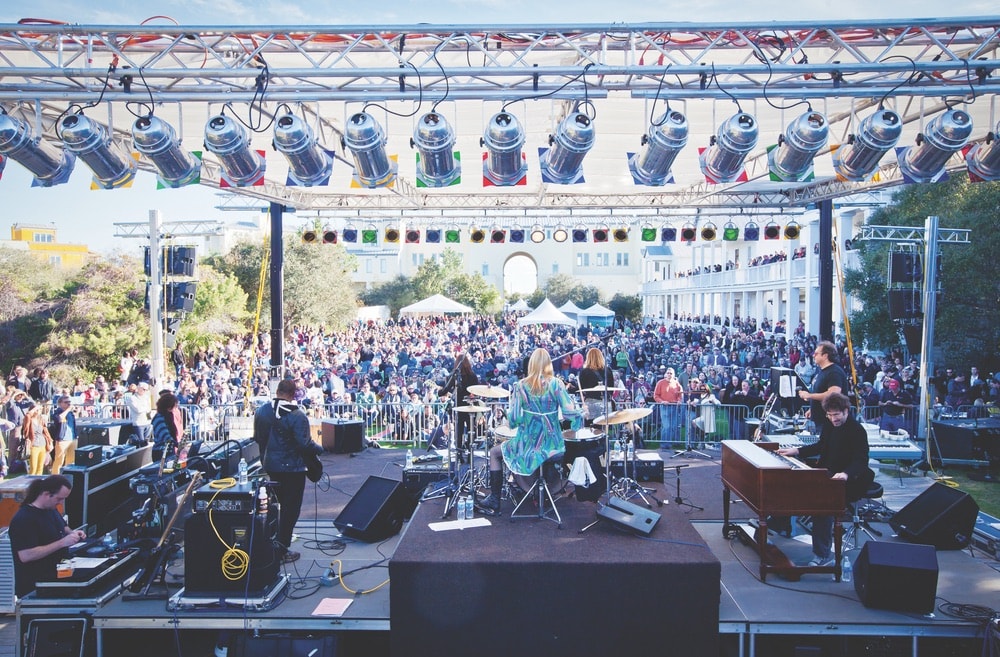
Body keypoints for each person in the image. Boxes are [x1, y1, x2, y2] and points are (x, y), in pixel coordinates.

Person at [476, 349, 583, 517]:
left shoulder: (521, 386)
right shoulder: (556, 384)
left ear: (532, 364)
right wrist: (581, 414)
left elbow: (515, 419)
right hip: (552, 445)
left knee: (494, 453)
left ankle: (495, 499)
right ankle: (543, 492)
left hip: (527, 444)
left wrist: (514, 418)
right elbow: (569, 413)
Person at [778, 393, 874, 567]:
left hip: (850, 479)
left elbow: (861, 461)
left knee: (822, 507)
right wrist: (797, 451)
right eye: (829, 415)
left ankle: (821, 554)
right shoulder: (830, 425)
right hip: (828, 473)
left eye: (836, 415)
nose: (833, 419)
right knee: (792, 485)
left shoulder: (857, 430)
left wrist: (846, 473)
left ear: (846, 411)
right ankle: (777, 524)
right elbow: (821, 445)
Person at [263, 378, 324, 564]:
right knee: (290, 510)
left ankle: (268, 545)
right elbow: (304, 444)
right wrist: (320, 448)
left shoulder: (262, 410)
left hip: (271, 465)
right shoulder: (297, 415)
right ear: (292, 394)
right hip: (293, 468)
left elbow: (258, 438)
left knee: (272, 508)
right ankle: (282, 550)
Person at [9, 474, 88, 598]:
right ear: (46, 494)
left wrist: (73, 533)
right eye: (59, 499)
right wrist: (62, 543)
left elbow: (62, 526)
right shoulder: (24, 519)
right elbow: (26, 555)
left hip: (57, 579)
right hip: (36, 588)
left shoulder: (50, 509)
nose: (61, 503)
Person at [798, 341, 848, 433]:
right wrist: (812, 408)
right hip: (820, 421)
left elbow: (833, 394)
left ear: (825, 355)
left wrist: (809, 396)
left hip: (830, 423)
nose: (813, 356)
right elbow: (821, 391)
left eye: (816, 354)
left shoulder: (834, 372)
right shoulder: (822, 371)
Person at [439, 353, 480, 453]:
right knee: (471, 431)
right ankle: (469, 449)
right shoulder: (473, 376)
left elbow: (444, 391)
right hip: (471, 406)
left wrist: (439, 391)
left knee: (459, 431)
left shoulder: (454, 376)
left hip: (459, 407)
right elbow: (477, 391)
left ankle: (459, 452)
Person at [574, 348, 615, 426]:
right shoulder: (608, 370)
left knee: (591, 431)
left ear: (588, 357)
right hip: (606, 403)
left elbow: (580, 388)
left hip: (591, 403)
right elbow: (611, 388)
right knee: (604, 430)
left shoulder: (585, 371)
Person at [653, 367, 684, 448]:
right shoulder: (660, 383)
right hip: (664, 407)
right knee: (666, 426)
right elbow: (656, 395)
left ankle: (669, 444)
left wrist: (679, 401)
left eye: (671, 373)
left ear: (673, 375)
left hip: (674, 407)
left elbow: (680, 394)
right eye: (668, 373)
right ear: (665, 374)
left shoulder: (677, 384)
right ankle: (663, 445)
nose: (669, 374)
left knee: (673, 426)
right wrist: (662, 401)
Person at [47, 396, 78, 475]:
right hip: (62, 439)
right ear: (60, 403)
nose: (68, 404)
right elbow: (59, 419)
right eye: (66, 402)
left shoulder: (70, 413)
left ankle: (68, 475)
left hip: (72, 438)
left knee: (71, 460)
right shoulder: (58, 412)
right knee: (59, 459)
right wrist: (68, 409)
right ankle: (55, 476)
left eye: (69, 402)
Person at [23, 404, 52, 476]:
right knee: (33, 467)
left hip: (43, 444)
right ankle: (29, 483)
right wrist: (34, 408)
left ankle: (38, 483)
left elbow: (45, 431)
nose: (39, 411)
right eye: (38, 410)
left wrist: (50, 441)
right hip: (33, 445)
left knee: (40, 467)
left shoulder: (40, 419)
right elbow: (27, 416)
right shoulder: (29, 419)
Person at [151, 392, 181, 463]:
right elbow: (165, 436)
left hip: (169, 451)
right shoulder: (159, 418)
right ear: (168, 406)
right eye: (174, 406)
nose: (175, 408)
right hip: (160, 452)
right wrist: (179, 445)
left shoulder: (169, 416)